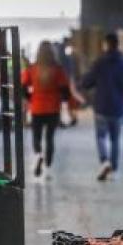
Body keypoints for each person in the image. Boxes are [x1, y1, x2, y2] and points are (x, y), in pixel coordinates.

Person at [81, 32, 123, 181]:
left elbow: (87, 82)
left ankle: (104, 161)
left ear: (106, 44)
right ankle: (113, 168)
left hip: (101, 106)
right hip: (118, 107)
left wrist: (85, 85)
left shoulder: (99, 63)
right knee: (115, 139)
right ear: (118, 45)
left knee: (101, 136)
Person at [21, 43, 78, 180]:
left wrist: (31, 98)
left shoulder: (32, 69)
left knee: (36, 136)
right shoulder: (58, 70)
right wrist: (65, 102)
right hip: (53, 108)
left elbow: (22, 87)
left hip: (37, 107)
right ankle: (47, 168)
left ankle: (39, 154)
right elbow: (65, 91)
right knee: (50, 138)